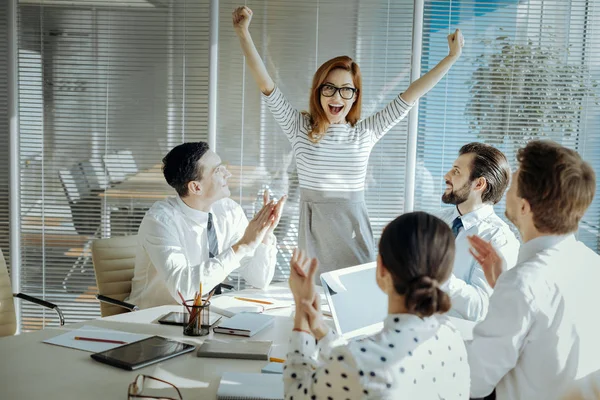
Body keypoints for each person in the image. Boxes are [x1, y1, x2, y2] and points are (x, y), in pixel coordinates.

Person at [233, 6, 464, 273]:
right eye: (329, 88)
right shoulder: (299, 128)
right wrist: (243, 33)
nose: (337, 97)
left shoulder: (365, 133)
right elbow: (266, 85)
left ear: (355, 96)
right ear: (319, 91)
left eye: (346, 90)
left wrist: (451, 57)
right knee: (313, 297)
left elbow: (411, 95)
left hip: (353, 232)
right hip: (313, 233)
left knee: (354, 299)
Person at [283, 212, 470, 399]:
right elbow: (356, 366)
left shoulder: (360, 364)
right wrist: (321, 330)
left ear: (381, 268)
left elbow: (294, 394)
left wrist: (302, 314)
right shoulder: (451, 336)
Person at [466, 140, 600, 399]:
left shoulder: (522, 284)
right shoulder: (593, 265)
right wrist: (503, 283)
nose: (506, 192)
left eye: (512, 186)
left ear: (525, 207)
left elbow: (474, 381)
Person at [127, 142, 286, 309]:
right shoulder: (160, 221)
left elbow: (259, 280)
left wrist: (265, 235)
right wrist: (242, 246)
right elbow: (184, 290)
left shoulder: (228, 210)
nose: (228, 174)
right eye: (218, 170)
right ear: (196, 187)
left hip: (209, 314)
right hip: (155, 318)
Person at [436, 142, 519, 321]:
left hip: (458, 340)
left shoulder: (499, 239)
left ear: (479, 184)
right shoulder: (435, 221)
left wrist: (436, 275)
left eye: (456, 171)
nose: (446, 176)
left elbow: (481, 307)